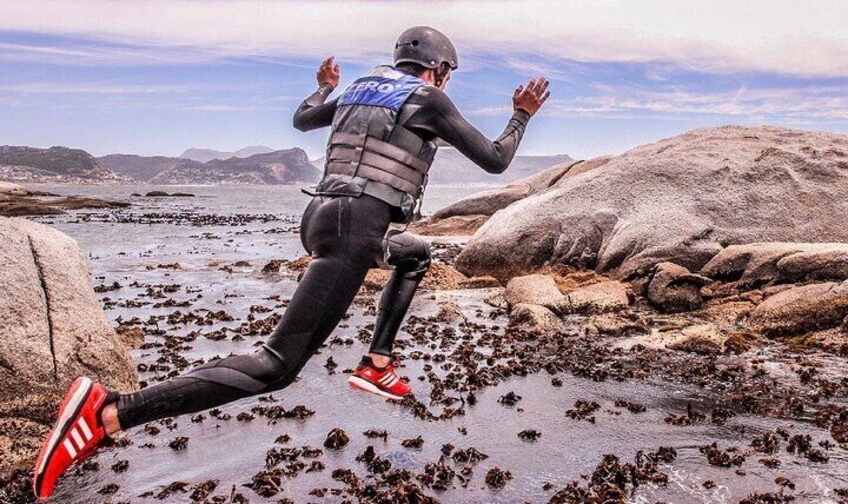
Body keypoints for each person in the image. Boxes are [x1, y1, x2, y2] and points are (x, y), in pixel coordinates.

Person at [32, 25, 550, 499]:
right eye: (448, 76)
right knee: (276, 366)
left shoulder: (358, 90)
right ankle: (109, 412)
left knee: (414, 252)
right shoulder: (428, 98)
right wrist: (521, 114)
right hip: (356, 225)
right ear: (440, 70)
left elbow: (303, 118)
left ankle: (377, 364)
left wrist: (324, 86)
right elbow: (496, 158)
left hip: (321, 216)